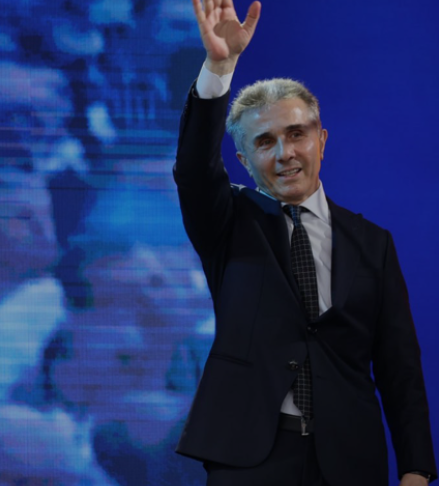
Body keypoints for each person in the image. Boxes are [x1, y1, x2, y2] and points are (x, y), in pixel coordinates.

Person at [172, 1, 436, 485]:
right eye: (265, 142)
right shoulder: (227, 221)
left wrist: (416, 468)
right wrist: (219, 69)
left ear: (322, 141)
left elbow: (399, 367)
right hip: (251, 460)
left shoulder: (373, 243)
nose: (285, 153)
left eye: (297, 134)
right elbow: (193, 170)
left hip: (351, 459)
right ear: (244, 160)